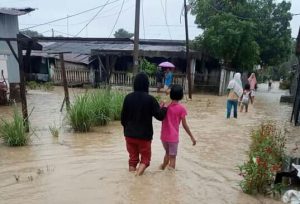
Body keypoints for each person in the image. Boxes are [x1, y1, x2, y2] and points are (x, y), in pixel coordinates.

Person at [121, 72, 167, 176]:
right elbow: (160, 116)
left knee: (133, 160)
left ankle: (131, 177)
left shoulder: (128, 98)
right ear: (147, 85)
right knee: (145, 160)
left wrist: (126, 131)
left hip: (129, 135)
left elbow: (123, 118)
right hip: (144, 137)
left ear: (135, 84)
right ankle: (137, 177)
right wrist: (164, 108)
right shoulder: (150, 99)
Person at [159, 84, 196, 170]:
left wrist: (167, 94)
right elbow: (184, 125)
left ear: (171, 94)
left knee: (167, 153)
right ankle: (171, 178)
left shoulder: (165, 106)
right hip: (173, 138)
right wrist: (191, 136)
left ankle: (162, 168)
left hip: (164, 137)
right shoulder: (181, 109)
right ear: (181, 96)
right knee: (172, 157)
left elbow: (161, 103)